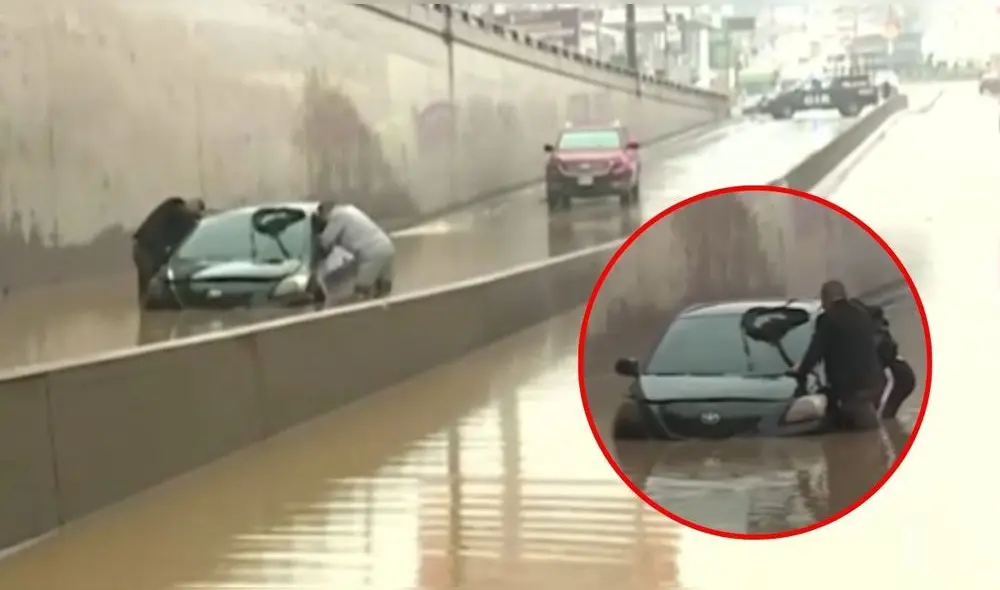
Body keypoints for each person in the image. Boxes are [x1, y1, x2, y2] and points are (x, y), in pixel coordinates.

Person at [787, 280, 885, 431]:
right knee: (863, 431)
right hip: (873, 383)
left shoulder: (827, 320)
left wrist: (800, 371)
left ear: (826, 298)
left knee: (866, 434)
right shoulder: (862, 314)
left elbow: (815, 352)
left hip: (851, 389)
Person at [314, 200, 395, 302]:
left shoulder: (337, 216)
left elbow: (325, 242)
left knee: (361, 291)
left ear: (323, 213)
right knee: (384, 289)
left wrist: (316, 237)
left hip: (371, 253)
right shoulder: (350, 210)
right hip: (387, 246)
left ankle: (364, 315)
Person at [132, 196, 206, 303]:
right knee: (151, 286)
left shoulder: (172, 208)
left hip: (141, 247)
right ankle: (147, 313)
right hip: (146, 249)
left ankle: (146, 314)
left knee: (147, 286)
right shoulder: (178, 211)